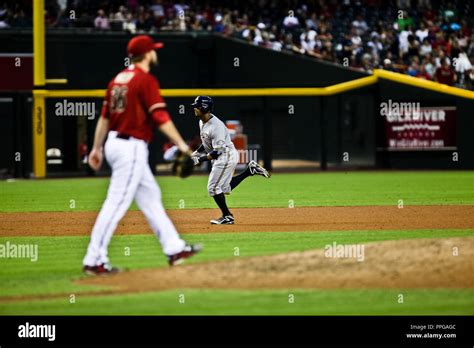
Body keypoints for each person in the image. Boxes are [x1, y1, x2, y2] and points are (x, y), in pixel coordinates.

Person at [83, 35, 202, 275]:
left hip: (114, 143)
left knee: (150, 196)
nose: (155, 53)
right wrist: (182, 145)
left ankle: (174, 248)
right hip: (131, 147)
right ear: (147, 54)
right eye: (153, 50)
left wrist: (96, 148)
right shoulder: (145, 80)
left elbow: (105, 118)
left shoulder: (118, 80)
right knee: (116, 203)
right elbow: (160, 117)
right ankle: (94, 259)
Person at [190, 96, 271, 225]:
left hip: (225, 156)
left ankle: (227, 216)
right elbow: (206, 142)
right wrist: (196, 153)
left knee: (213, 188)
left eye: (197, 106)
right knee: (224, 188)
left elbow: (217, 152)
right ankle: (249, 170)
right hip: (222, 155)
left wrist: (198, 160)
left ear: (204, 107)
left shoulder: (216, 126)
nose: (194, 108)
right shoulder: (202, 122)